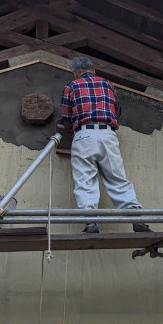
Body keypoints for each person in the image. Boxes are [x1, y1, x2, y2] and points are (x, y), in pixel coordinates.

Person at [60, 57, 152, 234]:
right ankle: (136, 219)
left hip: (84, 134)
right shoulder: (107, 84)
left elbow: (67, 116)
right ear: (93, 70)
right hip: (107, 133)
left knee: (85, 179)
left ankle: (91, 222)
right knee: (117, 178)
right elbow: (117, 110)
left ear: (74, 72)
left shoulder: (71, 87)